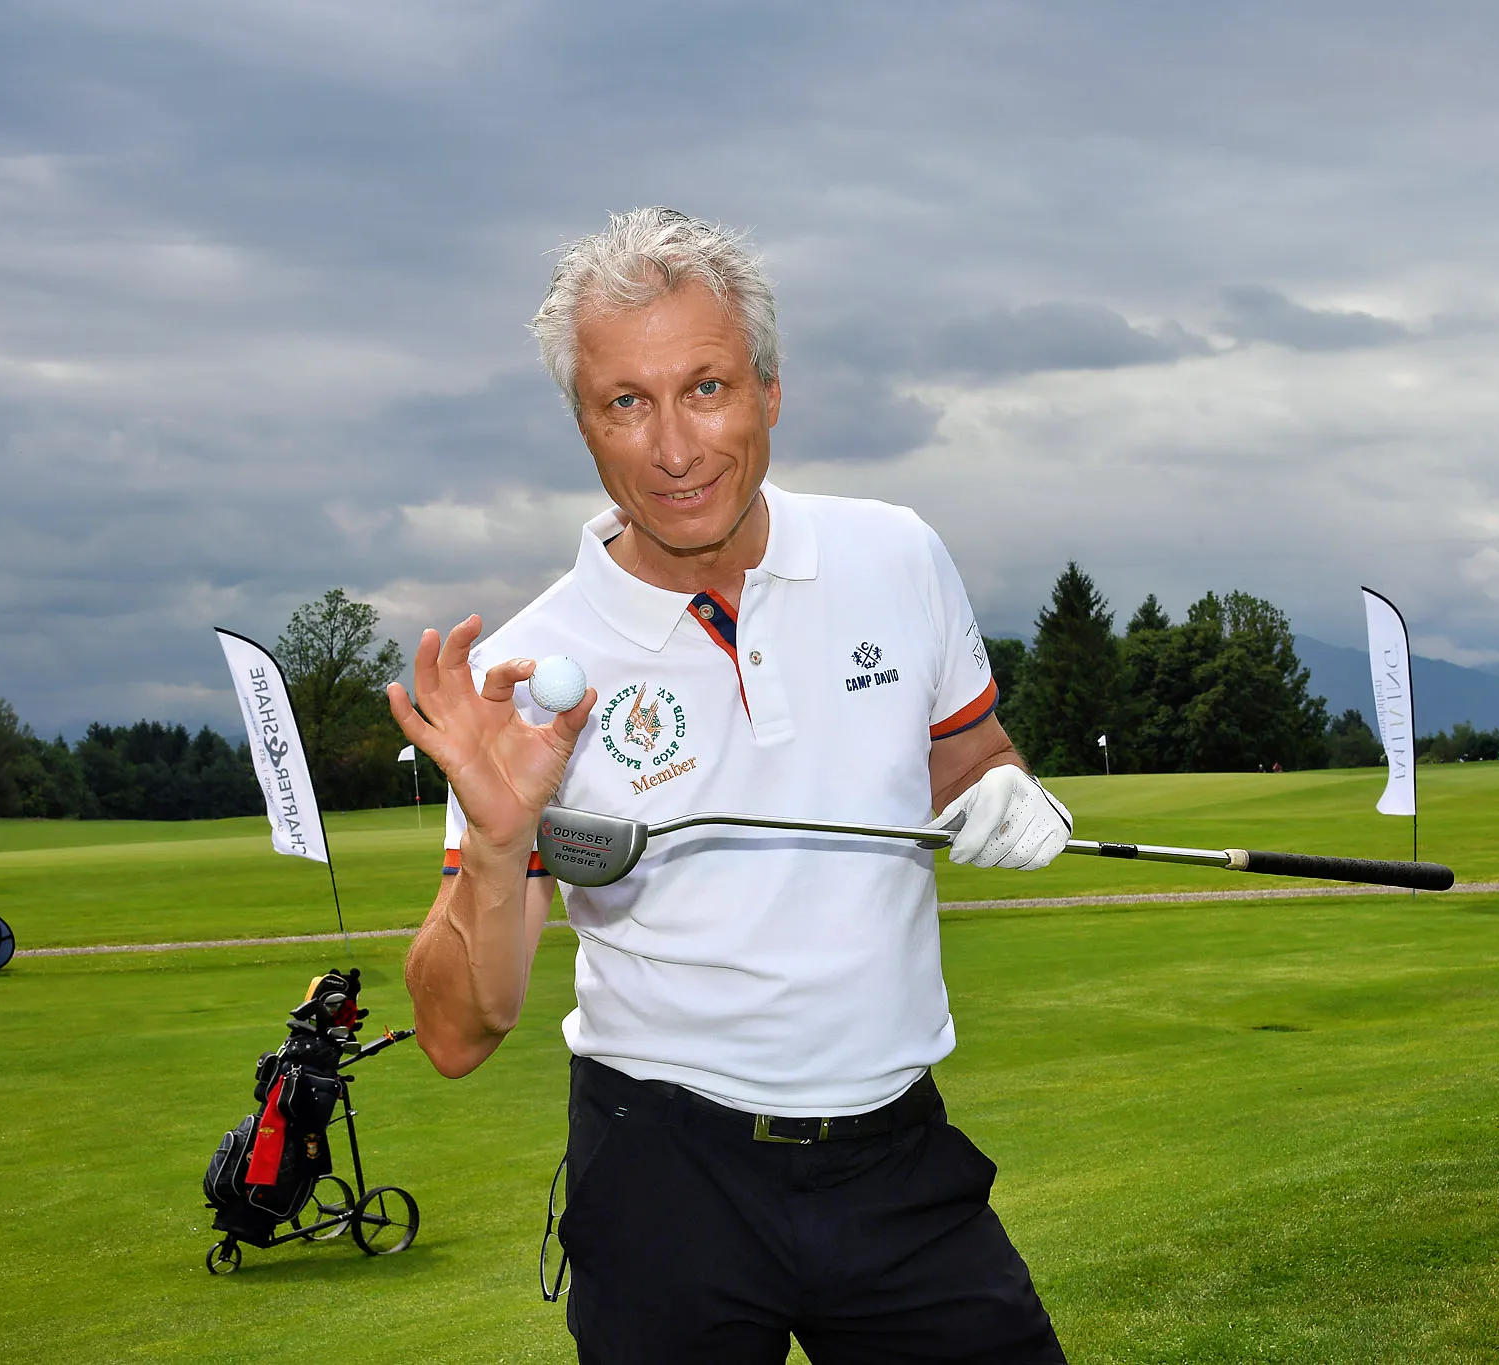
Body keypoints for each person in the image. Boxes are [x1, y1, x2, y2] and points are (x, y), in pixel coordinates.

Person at [389, 208, 1070, 1364]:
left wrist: (1006, 783)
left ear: (767, 390)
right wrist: (499, 845)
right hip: (664, 1177)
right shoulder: (528, 678)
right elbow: (458, 1034)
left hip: (895, 1157)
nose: (672, 448)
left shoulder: (895, 556)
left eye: (703, 389)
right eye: (625, 402)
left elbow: (967, 754)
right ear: (583, 424)